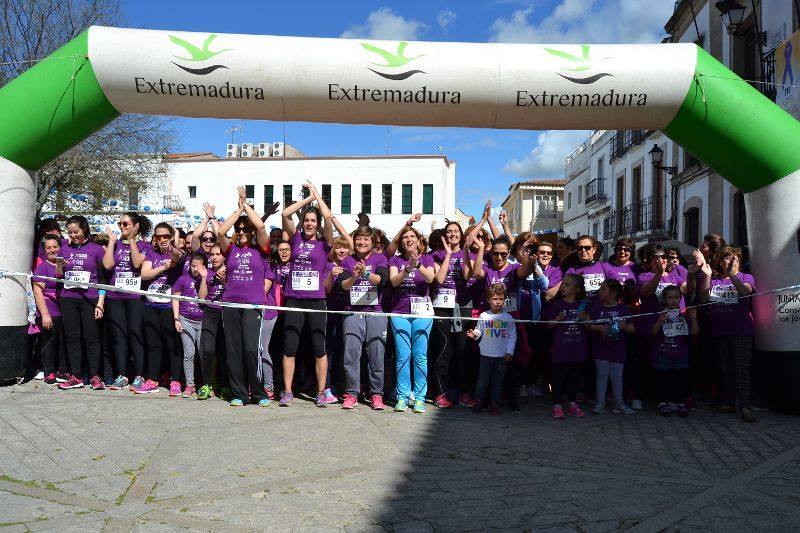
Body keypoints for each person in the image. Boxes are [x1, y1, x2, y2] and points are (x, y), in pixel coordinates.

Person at [280, 181, 336, 407]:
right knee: (290, 346)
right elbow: (285, 213)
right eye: (307, 221)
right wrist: (307, 200)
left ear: (318, 224)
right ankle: (287, 391)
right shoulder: (296, 239)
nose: (310, 224)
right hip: (294, 298)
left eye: (313, 221)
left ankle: (321, 392)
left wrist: (318, 197)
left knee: (318, 347)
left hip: (316, 301)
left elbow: (329, 217)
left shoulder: (325, 243)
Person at [217, 187, 272, 407]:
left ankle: (258, 393)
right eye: (239, 229)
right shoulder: (229, 250)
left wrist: (246, 205)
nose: (241, 231)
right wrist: (237, 210)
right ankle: (238, 393)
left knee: (251, 349)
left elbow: (259, 225)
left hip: (253, 306)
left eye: (244, 228)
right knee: (234, 350)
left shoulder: (261, 249)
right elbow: (221, 231)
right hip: (230, 304)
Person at [698, 246, 756, 422]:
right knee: (724, 368)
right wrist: (707, 276)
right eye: (726, 259)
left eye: (734, 259)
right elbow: (703, 299)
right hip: (720, 331)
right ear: (720, 262)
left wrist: (732, 275)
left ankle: (745, 405)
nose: (731, 262)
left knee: (741, 368)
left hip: (741, 331)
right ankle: (729, 402)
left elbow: (745, 291)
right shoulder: (715, 280)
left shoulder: (746, 277)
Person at [339, 226, 389, 410]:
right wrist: (354, 276)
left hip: (375, 312)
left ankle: (376, 394)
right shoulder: (347, 261)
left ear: (372, 242)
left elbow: (383, 281)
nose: (362, 242)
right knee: (351, 354)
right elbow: (343, 286)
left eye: (366, 239)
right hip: (352, 312)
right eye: (358, 239)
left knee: (377, 354)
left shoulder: (380, 258)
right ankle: (351, 393)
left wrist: (366, 273)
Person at [388, 225, 435, 414]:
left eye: (412, 236)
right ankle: (402, 396)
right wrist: (407, 269)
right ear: (402, 242)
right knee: (402, 356)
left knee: (420, 356)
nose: (409, 239)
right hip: (400, 313)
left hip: (422, 313)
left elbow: (431, 278)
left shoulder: (427, 258)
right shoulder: (395, 259)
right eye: (405, 237)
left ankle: (420, 397)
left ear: (418, 240)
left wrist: (418, 265)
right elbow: (393, 281)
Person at [102, 212, 151, 391]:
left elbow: (137, 264)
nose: (122, 227)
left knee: (135, 334)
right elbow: (107, 265)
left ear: (136, 226)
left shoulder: (145, 245)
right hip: (115, 296)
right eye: (120, 224)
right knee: (119, 336)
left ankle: (139, 375)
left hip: (135, 297)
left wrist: (132, 241)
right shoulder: (114, 244)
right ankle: (121, 375)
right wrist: (112, 242)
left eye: (126, 224)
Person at [429, 221, 476, 409]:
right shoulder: (436, 254)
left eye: (456, 231)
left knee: (462, 350)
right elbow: (439, 279)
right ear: (444, 235)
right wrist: (448, 255)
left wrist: (463, 253)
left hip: (462, 305)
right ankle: (441, 392)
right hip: (442, 305)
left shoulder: (468, 254)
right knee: (443, 349)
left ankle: (463, 392)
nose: (453, 234)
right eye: (449, 232)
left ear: (461, 235)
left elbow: (467, 276)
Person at [57, 215, 106, 390]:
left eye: (76, 231)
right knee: (72, 339)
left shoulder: (96, 249)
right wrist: (59, 266)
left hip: (90, 299)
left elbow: (102, 278)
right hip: (69, 298)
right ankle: (76, 376)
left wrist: (100, 302)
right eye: (69, 232)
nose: (73, 235)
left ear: (84, 229)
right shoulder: (63, 249)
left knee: (91, 338)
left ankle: (94, 376)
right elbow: (58, 275)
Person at [138, 222, 186, 394]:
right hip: (151, 304)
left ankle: (175, 380)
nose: (162, 239)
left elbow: (177, 256)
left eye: (166, 236)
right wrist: (164, 267)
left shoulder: (178, 251)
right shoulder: (151, 254)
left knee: (172, 344)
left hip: (168, 306)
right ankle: (152, 379)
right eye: (159, 236)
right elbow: (144, 274)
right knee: (153, 344)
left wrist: (170, 248)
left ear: (171, 237)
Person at [649, 285, 699, 417]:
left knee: (680, 379)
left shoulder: (684, 315)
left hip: (681, 354)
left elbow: (695, 332)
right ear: (664, 300)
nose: (673, 300)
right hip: (663, 353)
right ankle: (662, 403)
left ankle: (680, 402)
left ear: (680, 298)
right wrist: (660, 321)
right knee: (663, 379)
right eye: (670, 298)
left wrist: (693, 318)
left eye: (676, 297)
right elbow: (653, 332)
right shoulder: (661, 314)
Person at [467, 283, 517, 415]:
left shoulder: (508, 318)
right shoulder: (484, 316)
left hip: (501, 357)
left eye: (501, 299)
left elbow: (512, 336)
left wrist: (509, 352)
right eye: (495, 299)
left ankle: (494, 404)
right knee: (482, 382)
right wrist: (474, 334)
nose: (498, 302)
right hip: (485, 355)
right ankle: (478, 402)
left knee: (497, 383)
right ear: (489, 300)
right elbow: (479, 330)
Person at [587, 280, 635, 415]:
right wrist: (599, 328)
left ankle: (619, 403)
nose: (600, 291)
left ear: (613, 293)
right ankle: (600, 403)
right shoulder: (596, 308)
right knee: (601, 376)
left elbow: (632, 328)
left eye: (603, 289)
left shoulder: (623, 309)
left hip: (618, 350)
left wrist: (625, 327)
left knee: (617, 377)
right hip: (600, 349)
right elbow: (588, 325)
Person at [547, 273, 588, 419]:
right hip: (561, 349)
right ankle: (557, 405)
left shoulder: (582, 304)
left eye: (567, 284)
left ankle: (572, 403)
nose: (563, 286)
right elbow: (549, 325)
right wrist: (557, 319)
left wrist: (586, 319)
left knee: (574, 378)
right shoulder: (557, 304)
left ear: (577, 290)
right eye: (563, 283)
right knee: (559, 378)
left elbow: (589, 326)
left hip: (577, 349)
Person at [172, 253, 209, 398]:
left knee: (203, 353)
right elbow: (175, 298)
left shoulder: (208, 278)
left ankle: (206, 384)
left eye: (198, 267)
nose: (195, 269)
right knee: (189, 353)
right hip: (185, 319)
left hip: (203, 321)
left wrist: (204, 278)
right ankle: (190, 384)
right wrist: (176, 319)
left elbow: (204, 297)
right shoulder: (183, 279)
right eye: (193, 266)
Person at [32, 235, 67, 384]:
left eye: (55, 247)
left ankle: (62, 370)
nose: (52, 250)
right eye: (49, 248)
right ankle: (49, 372)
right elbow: (38, 292)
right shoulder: (42, 267)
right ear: (44, 250)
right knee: (50, 341)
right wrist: (45, 314)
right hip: (49, 309)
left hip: (65, 308)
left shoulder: (65, 264)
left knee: (63, 341)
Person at [197, 243, 227, 401]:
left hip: (227, 314)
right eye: (212, 254)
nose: (214, 257)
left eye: (218, 254)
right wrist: (203, 278)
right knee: (207, 350)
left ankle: (224, 385)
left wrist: (224, 281)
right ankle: (207, 384)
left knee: (225, 351)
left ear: (224, 257)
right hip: (210, 312)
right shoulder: (206, 273)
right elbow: (202, 299)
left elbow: (233, 294)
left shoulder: (229, 271)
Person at [566, 235, 605, 305]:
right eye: (579, 248)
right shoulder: (572, 270)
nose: (583, 251)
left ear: (594, 249)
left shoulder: (604, 267)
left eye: (587, 248)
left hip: (600, 308)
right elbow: (566, 292)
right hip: (581, 309)